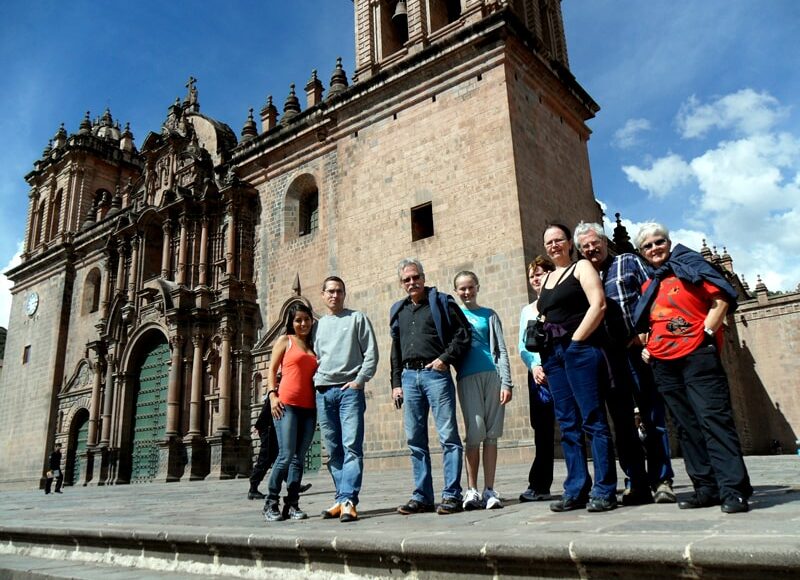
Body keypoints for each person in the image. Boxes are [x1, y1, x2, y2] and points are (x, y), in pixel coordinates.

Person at [633, 222, 752, 514]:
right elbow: (646, 323)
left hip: (698, 356)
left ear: (669, 242)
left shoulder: (689, 267)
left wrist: (706, 334)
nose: (654, 248)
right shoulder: (649, 285)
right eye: (647, 246)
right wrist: (649, 348)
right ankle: (706, 488)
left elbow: (721, 297)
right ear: (641, 252)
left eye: (659, 242)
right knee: (686, 426)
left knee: (714, 420)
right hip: (664, 363)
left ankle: (733, 490)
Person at [574, 221, 675, 505]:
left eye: (595, 243)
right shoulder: (585, 275)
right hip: (607, 358)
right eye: (585, 247)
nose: (591, 249)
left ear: (605, 241)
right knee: (621, 422)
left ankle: (662, 480)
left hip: (636, 350)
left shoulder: (629, 261)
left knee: (652, 416)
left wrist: (648, 333)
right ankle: (635, 482)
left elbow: (653, 294)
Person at [536, 223, 617, 512]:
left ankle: (605, 489)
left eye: (558, 240)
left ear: (569, 242)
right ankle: (576, 488)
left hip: (580, 350)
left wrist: (576, 340)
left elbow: (598, 304)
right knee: (568, 424)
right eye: (549, 242)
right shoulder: (546, 280)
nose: (554, 245)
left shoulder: (582, 267)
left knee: (593, 420)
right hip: (553, 356)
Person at [390, 258, 471, 515]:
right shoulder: (399, 311)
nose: (412, 282)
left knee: (448, 436)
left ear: (423, 278)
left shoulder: (442, 302)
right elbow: (396, 350)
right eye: (407, 279)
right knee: (415, 440)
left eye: (416, 277)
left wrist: (444, 359)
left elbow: (463, 334)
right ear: (401, 283)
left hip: (435, 374)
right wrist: (395, 383)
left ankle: (451, 495)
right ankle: (423, 496)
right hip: (408, 377)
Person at [314, 276, 379, 523]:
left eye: (339, 291)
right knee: (333, 449)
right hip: (323, 391)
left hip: (348, 390)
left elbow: (371, 352)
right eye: (330, 291)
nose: (334, 295)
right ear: (323, 295)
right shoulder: (318, 326)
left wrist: (360, 380)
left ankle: (349, 499)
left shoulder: (357, 318)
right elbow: (314, 357)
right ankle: (341, 499)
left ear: (344, 294)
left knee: (351, 446)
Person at [452, 271, 513, 510]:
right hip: (467, 378)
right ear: (456, 291)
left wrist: (507, 382)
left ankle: (489, 489)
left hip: (493, 376)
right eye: (462, 289)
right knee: (475, 432)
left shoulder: (489, 315)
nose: (467, 292)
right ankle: (471, 489)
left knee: (491, 434)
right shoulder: (454, 317)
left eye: (470, 287)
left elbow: (502, 350)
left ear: (477, 287)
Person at [263, 302, 318, 522]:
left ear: (311, 321)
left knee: (299, 458)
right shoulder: (285, 341)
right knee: (285, 455)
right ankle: (271, 502)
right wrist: (272, 395)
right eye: (298, 320)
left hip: (309, 407)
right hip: (286, 404)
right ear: (291, 322)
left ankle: (292, 505)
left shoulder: (313, 345)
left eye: (306, 319)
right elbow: (271, 370)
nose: (303, 323)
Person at [517, 256, 556, 502]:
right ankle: (540, 484)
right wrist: (534, 366)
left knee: (579, 424)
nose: (535, 278)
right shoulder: (528, 310)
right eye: (532, 275)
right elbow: (523, 345)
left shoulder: (561, 302)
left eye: (540, 273)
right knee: (542, 430)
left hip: (562, 370)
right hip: (539, 376)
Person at [247, 402, 280, 500]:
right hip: (268, 429)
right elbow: (267, 408)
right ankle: (253, 489)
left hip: (270, 429)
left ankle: (293, 484)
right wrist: (258, 425)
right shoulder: (273, 394)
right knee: (264, 459)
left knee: (278, 459)